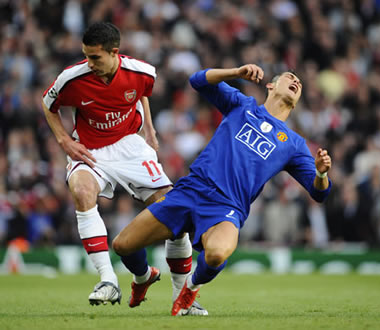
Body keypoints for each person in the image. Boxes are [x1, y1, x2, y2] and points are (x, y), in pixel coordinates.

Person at [112, 64, 332, 315]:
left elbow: (320, 193)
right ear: (270, 86)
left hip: (227, 207)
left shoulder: (294, 144)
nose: (296, 81)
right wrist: (236, 73)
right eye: (289, 77)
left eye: (299, 83)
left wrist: (321, 173)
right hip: (191, 191)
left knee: (217, 254)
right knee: (122, 245)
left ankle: (190, 290)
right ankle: (143, 277)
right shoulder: (243, 106)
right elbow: (197, 80)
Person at [41, 22, 207, 314]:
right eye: (86, 56)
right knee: (81, 191)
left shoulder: (143, 72)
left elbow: (141, 92)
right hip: (89, 149)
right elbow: (48, 103)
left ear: (114, 52)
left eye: (95, 57)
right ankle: (107, 280)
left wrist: (151, 130)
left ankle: (181, 301)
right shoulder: (72, 78)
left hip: (130, 145)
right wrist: (64, 140)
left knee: (174, 213)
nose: (89, 63)